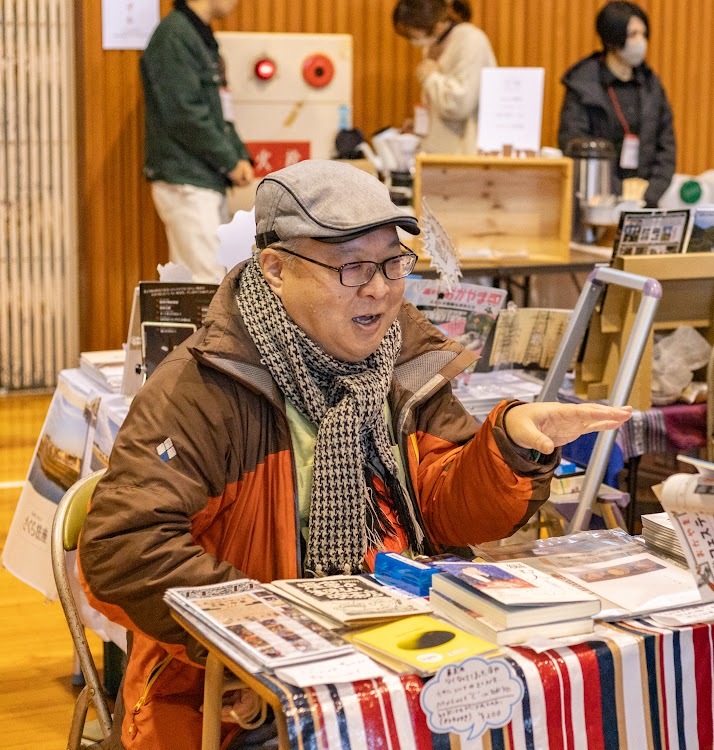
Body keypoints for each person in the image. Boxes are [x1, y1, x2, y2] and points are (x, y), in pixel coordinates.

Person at [78, 159, 630, 749]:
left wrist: (508, 444)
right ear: (275, 270)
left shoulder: (403, 357)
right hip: (239, 695)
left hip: (400, 652)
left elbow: (445, 508)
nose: (380, 288)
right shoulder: (205, 386)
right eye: (352, 268)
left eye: (393, 263)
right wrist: (266, 644)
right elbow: (123, 547)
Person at [141, 0, 254, 283]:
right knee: (206, 284)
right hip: (187, 181)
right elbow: (184, 114)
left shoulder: (197, 34)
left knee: (198, 284)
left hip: (204, 177)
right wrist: (230, 161)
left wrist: (240, 156)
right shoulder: (174, 36)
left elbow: (221, 112)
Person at [558, 1, 676, 207]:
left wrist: (649, 191)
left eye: (644, 34)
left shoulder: (651, 85)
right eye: (633, 35)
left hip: (646, 201)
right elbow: (573, 144)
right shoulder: (582, 84)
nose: (641, 42)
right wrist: (619, 191)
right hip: (594, 201)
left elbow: (666, 146)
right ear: (612, 38)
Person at [393, 0, 497, 155]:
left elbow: (460, 104)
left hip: (464, 154)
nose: (413, 41)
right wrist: (420, 126)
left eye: (412, 34)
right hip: (438, 153)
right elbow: (438, 103)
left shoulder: (470, 40)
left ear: (436, 25)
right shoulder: (433, 45)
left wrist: (430, 77)